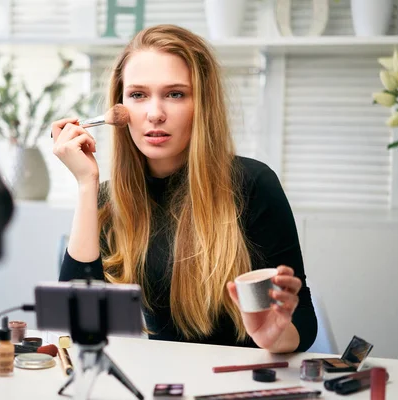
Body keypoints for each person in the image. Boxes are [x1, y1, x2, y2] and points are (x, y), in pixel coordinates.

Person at [51, 24, 317, 353]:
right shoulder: (107, 198)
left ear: (201, 104)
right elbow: (76, 322)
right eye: (137, 95)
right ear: (119, 108)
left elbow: (303, 319)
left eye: (175, 94)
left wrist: (276, 336)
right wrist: (86, 184)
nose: (155, 114)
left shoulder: (252, 184)